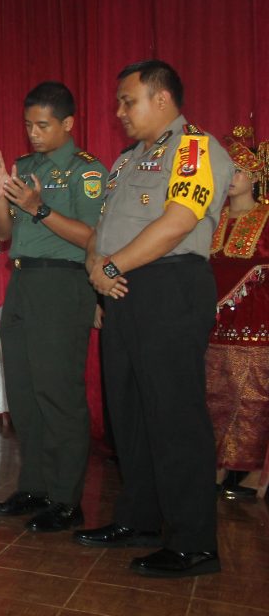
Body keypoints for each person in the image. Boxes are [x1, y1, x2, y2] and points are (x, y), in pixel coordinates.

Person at [74, 60, 232, 578]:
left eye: (128, 100)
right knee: (130, 414)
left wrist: (113, 265)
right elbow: (104, 226)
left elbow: (179, 221)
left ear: (161, 99)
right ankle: (139, 519)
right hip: (121, 289)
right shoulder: (125, 160)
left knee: (174, 414)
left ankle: (193, 542)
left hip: (170, 284)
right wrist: (99, 271)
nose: (119, 111)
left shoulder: (193, 149)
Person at [0, 82, 104, 532]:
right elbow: (0, 235)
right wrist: (1, 195)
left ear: (67, 124)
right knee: (25, 393)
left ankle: (66, 499)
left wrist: (38, 208)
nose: (33, 133)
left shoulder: (85, 171)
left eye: (43, 125)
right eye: (28, 124)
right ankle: (33, 487)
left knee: (58, 393)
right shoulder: (26, 167)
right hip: (23, 280)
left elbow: (92, 237)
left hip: (63, 283)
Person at [205, 128, 269, 500]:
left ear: (257, 176)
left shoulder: (265, 218)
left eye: (239, 171)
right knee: (214, 396)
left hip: (255, 325)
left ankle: (250, 471)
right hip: (213, 326)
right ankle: (217, 466)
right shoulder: (213, 219)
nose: (230, 179)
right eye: (226, 171)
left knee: (253, 399)